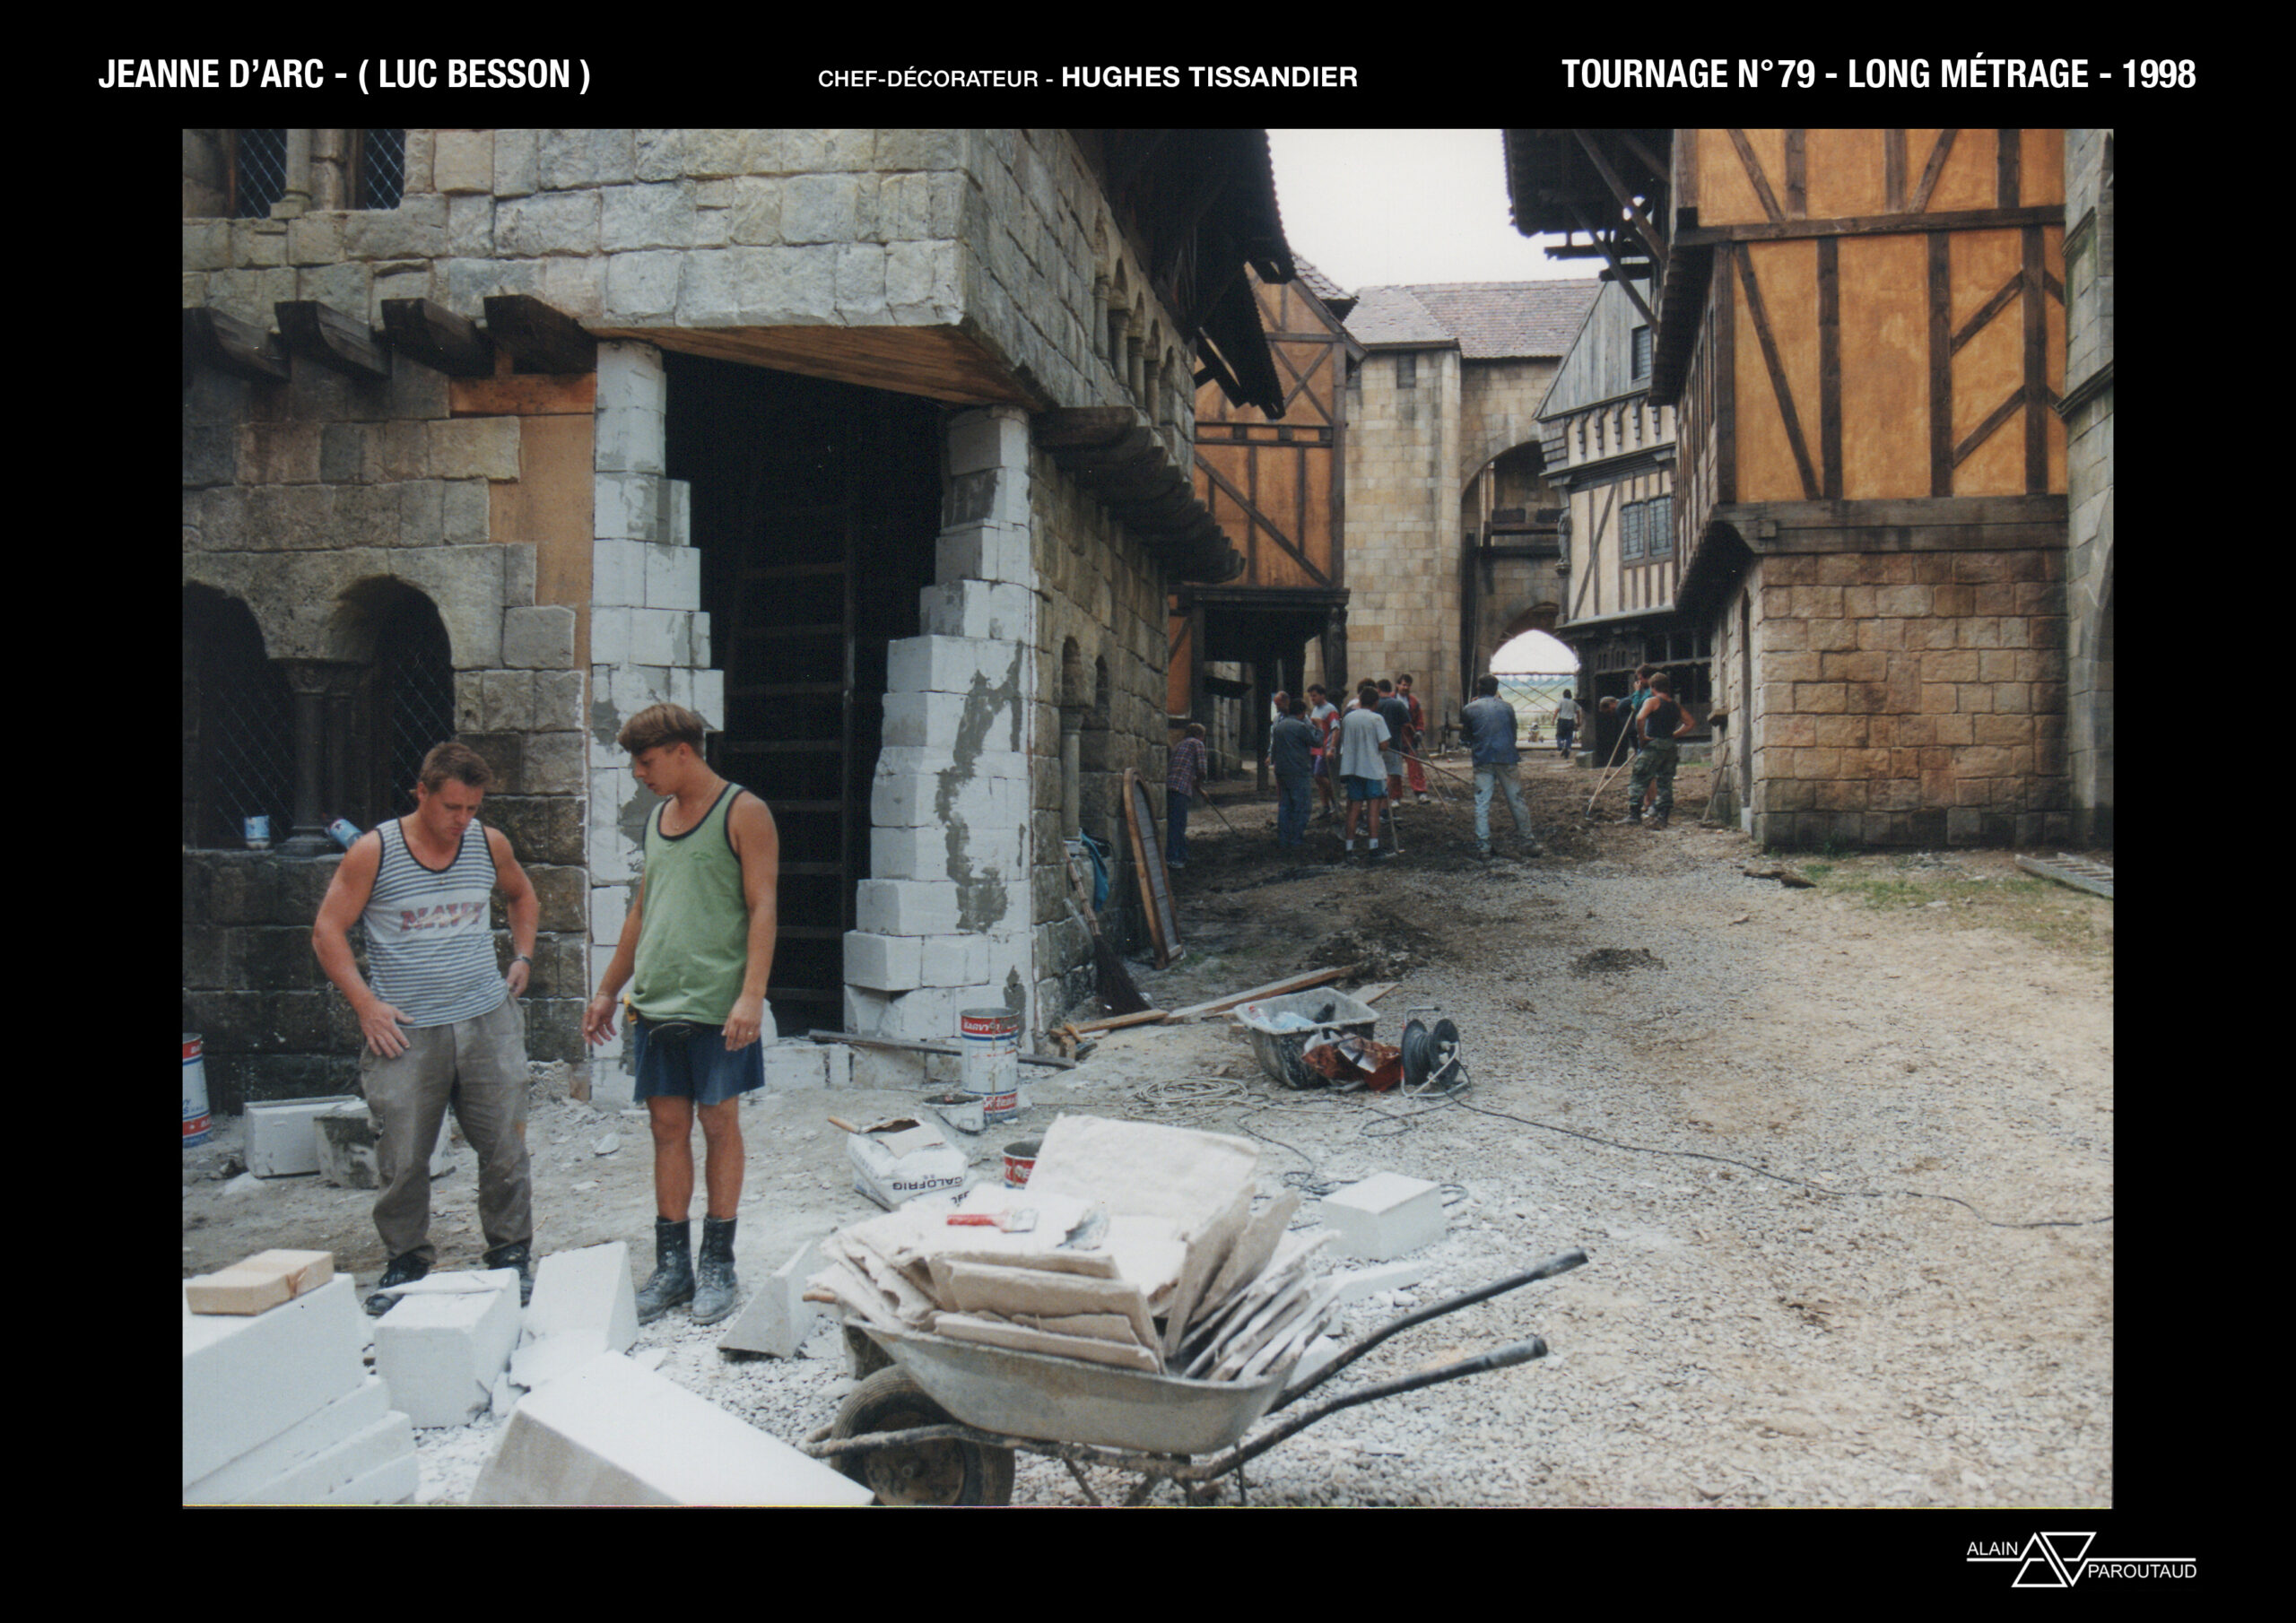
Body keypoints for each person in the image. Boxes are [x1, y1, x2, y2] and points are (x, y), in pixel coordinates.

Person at [312, 742, 541, 1316]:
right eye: (451, 807)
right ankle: (407, 1259)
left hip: (486, 1017)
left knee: (504, 1145)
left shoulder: (487, 844)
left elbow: (521, 894)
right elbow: (327, 930)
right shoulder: (374, 852)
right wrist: (366, 1005)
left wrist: (523, 955)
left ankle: (511, 1253)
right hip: (408, 1028)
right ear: (422, 793)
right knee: (403, 1154)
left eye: (472, 808)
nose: (462, 820)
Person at [582, 704, 779, 1325]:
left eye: (646, 762)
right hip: (658, 1001)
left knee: (719, 1123)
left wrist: (751, 996)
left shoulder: (743, 812)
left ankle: (718, 1263)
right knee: (666, 1127)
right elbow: (644, 910)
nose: (639, 774)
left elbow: (764, 906)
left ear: (682, 752)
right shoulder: (658, 818)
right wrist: (608, 990)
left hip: (717, 1003)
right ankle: (673, 1269)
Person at [1461, 674, 1543, 859]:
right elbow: (1513, 734)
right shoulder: (1507, 707)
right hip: (1507, 757)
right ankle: (1527, 843)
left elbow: (1466, 738)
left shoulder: (1469, 709)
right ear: (1496, 689)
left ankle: (1483, 848)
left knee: (1482, 803)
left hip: (1483, 759)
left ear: (1478, 688)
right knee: (1516, 799)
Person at [1627, 673, 1698, 829]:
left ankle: (1634, 815)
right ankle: (1663, 817)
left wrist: (1642, 738)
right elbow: (1690, 723)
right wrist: (1673, 735)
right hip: (1669, 746)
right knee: (1665, 781)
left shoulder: (1652, 701)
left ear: (1652, 687)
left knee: (1640, 777)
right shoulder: (1675, 705)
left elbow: (1640, 718)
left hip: (1653, 745)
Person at [1336, 680, 1396, 863]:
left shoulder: (1348, 718)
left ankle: (1349, 849)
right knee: (1373, 810)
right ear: (1376, 703)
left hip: (1353, 769)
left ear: (1360, 700)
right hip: (1372, 770)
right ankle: (1373, 848)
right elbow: (1384, 745)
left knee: (1353, 810)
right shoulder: (1376, 719)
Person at [1269, 697, 1318, 849]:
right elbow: (1316, 741)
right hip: (1298, 770)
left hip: (1282, 770)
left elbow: (1274, 748)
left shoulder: (1278, 726)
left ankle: (1283, 839)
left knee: (1285, 805)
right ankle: (1296, 839)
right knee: (1302, 806)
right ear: (1302, 713)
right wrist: (1319, 728)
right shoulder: (1301, 727)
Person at [1165, 721, 1209, 868]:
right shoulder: (1198, 744)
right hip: (1181, 787)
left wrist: (1196, 785)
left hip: (1169, 786)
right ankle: (1173, 858)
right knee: (1178, 824)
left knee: (1174, 822)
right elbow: (1202, 770)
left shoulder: (1179, 745)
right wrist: (1199, 786)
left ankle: (1183, 855)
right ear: (1199, 735)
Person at [1376, 679, 1414, 810]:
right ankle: (1384, 807)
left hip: (1376, 746)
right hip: (1393, 744)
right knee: (1390, 775)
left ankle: (1379, 805)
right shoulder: (1398, 704)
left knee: (1379, 776)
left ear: (1378, 689)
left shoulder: (1374, 704)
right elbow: (1407, 723)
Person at [1307, 683, 1340, 822]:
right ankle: (1325, 806)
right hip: (1315, 748)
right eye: (1311, 696)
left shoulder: (1330, 709)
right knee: (1318, 779)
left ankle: (1335, 801)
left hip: (1325, 748)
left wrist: (1332, 748)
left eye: (1314, 696)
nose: (1312, 699)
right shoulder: (1315, 710)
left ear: (1322, 695)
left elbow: (1336, 729)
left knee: (1319, 775)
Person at [1396, 673, 1431, 803]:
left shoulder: (1414, 702)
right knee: (1394, 768)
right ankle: (1394, 797)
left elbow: (1419, 720)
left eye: (1408, 685)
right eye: (1403, 685)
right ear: (1398, 685)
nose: (1406, 688)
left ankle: (1420, 792)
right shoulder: (1391, 700)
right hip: (1394, 737)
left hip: (1410, 737)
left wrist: (1419, 732)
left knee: (1415, 765)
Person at [1554, 689, 1580, 759]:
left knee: (1559, 735)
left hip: (1562, 720)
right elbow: (1578, 712)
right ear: (1570, 695)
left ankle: (1561, 745)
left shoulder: (1561, 701)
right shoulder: (1574, 702)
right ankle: (1567, 748)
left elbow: (1557, 710)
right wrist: (1578, 722)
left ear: (1564, 695)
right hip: (1571, 721)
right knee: (1569, 736)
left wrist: (1553, 720)